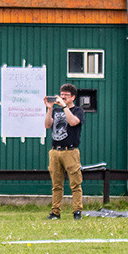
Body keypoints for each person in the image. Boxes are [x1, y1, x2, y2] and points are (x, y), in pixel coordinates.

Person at [43, 83, 85, 220]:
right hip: (55, 151)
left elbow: (73, 122)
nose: (63, 98)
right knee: (56, 185)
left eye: (66, 96)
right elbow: (47, 125)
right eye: (61, 96)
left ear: (73, 97)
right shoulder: (55, 111)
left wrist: (65, 107)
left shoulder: (78, 110)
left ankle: (77, 211)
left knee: (75, 183)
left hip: (70, 151)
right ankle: (55, 212)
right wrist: (49, 109)